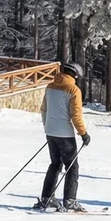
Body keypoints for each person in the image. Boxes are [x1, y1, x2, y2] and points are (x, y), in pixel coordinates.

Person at [35, 62, 89, 211]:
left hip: (51, 132)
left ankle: (47, 197)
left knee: (55, 165)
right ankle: (70, 200)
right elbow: (76, 116)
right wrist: (83, 133)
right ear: (75, 75)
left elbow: (43, 109)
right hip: (65, 134)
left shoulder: (50, 86)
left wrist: (48, 127)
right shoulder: (73, 89)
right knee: (72, 167)